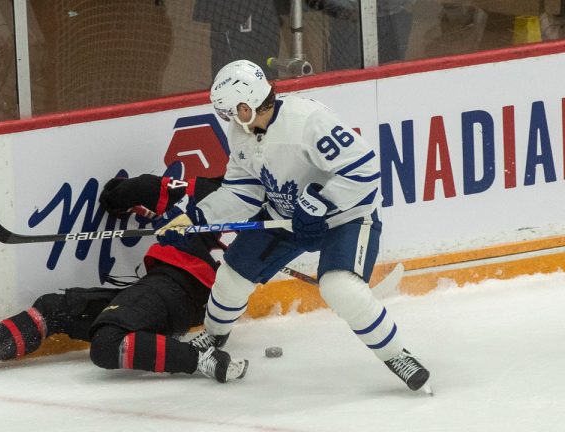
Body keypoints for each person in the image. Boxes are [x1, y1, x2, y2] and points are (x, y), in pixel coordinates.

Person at [154, 59, 431, 392]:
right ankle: (214, 336)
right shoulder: (242, 133)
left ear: (245, 106)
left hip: (346, 215)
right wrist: (196, 217)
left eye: (229, 111)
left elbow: (365, 171)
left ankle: (396, 354)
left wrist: (319, 203)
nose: (227, 119)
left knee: (339, 287)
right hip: (285, 214)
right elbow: (243, 191)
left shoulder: (308, 121)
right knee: (231, 277)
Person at [0, 174, 249, 384]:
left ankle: (200, 361)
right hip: (182, 303)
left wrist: (117, 197)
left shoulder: (211, 190)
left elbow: (139, 190)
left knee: (107, 343)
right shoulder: (266, 223)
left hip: (171, 288)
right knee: (58, 308)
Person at [306, 0, 415, 70]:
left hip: (393, 15)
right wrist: (340, 11)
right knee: (345, 74)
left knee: (391, 72)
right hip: (347, 20)